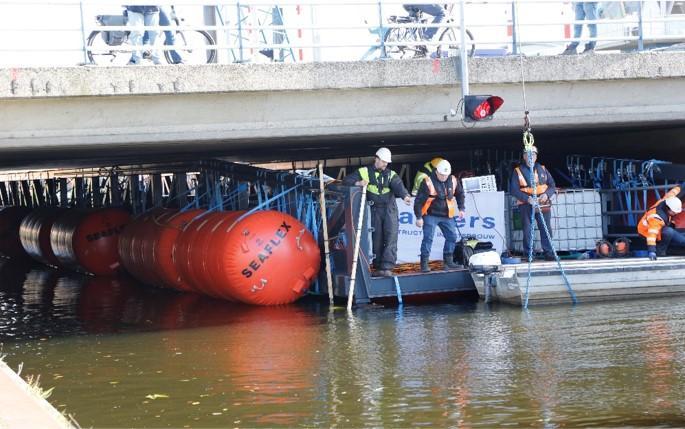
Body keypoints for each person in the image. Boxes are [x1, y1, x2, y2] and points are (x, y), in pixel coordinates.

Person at [343, 148, 411, 277]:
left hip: (389, 209)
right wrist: (358, 182)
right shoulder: (364, 172)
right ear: (376, 159)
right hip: (375, 210)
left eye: (387, 162)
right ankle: (379, 267)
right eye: (383, 162)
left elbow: (398, 185)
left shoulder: (391, 174)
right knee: (377, 238)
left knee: (391, 236)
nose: (385, 164)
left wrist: (405, 196)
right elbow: (346, 181)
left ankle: (388, 267)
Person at [414, 159, 465, 273]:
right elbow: (418, 201)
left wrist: (461, 208)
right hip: (430, 215)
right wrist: (418, 217)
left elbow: (460, 194)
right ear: (436, 171)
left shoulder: (453, 180)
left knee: (452, 237)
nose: (444, 177)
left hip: (447, 215)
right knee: (428, 238)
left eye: (446, 175)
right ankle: (424, 263)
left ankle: (448, 262)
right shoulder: (427, 182)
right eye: (442, 175)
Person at [509, 146, 557, 261]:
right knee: (528, 229)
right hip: (526, 204)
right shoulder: (518, 171)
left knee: (546, 228)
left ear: (536, 156)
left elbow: (552, 185)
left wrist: (546, 195)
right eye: (528, 154)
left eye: (533, 154)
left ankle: (549, 252)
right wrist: (528, 199)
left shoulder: (543, 169)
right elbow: (514, 190)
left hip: (542, 202)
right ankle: (529, 254)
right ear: (524, 156)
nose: (531, 157)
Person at [637, 184, 685, 260]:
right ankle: (660, 251)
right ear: (668, 209)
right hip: (646, 232)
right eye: (674, 212)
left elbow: (674, 191)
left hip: (659, 228)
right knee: (669, 232)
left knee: (679, 238)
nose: (676, 213)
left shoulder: (668, 200)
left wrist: (683, 185)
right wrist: (652, 251)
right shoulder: (656, 218)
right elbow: (651, 235)